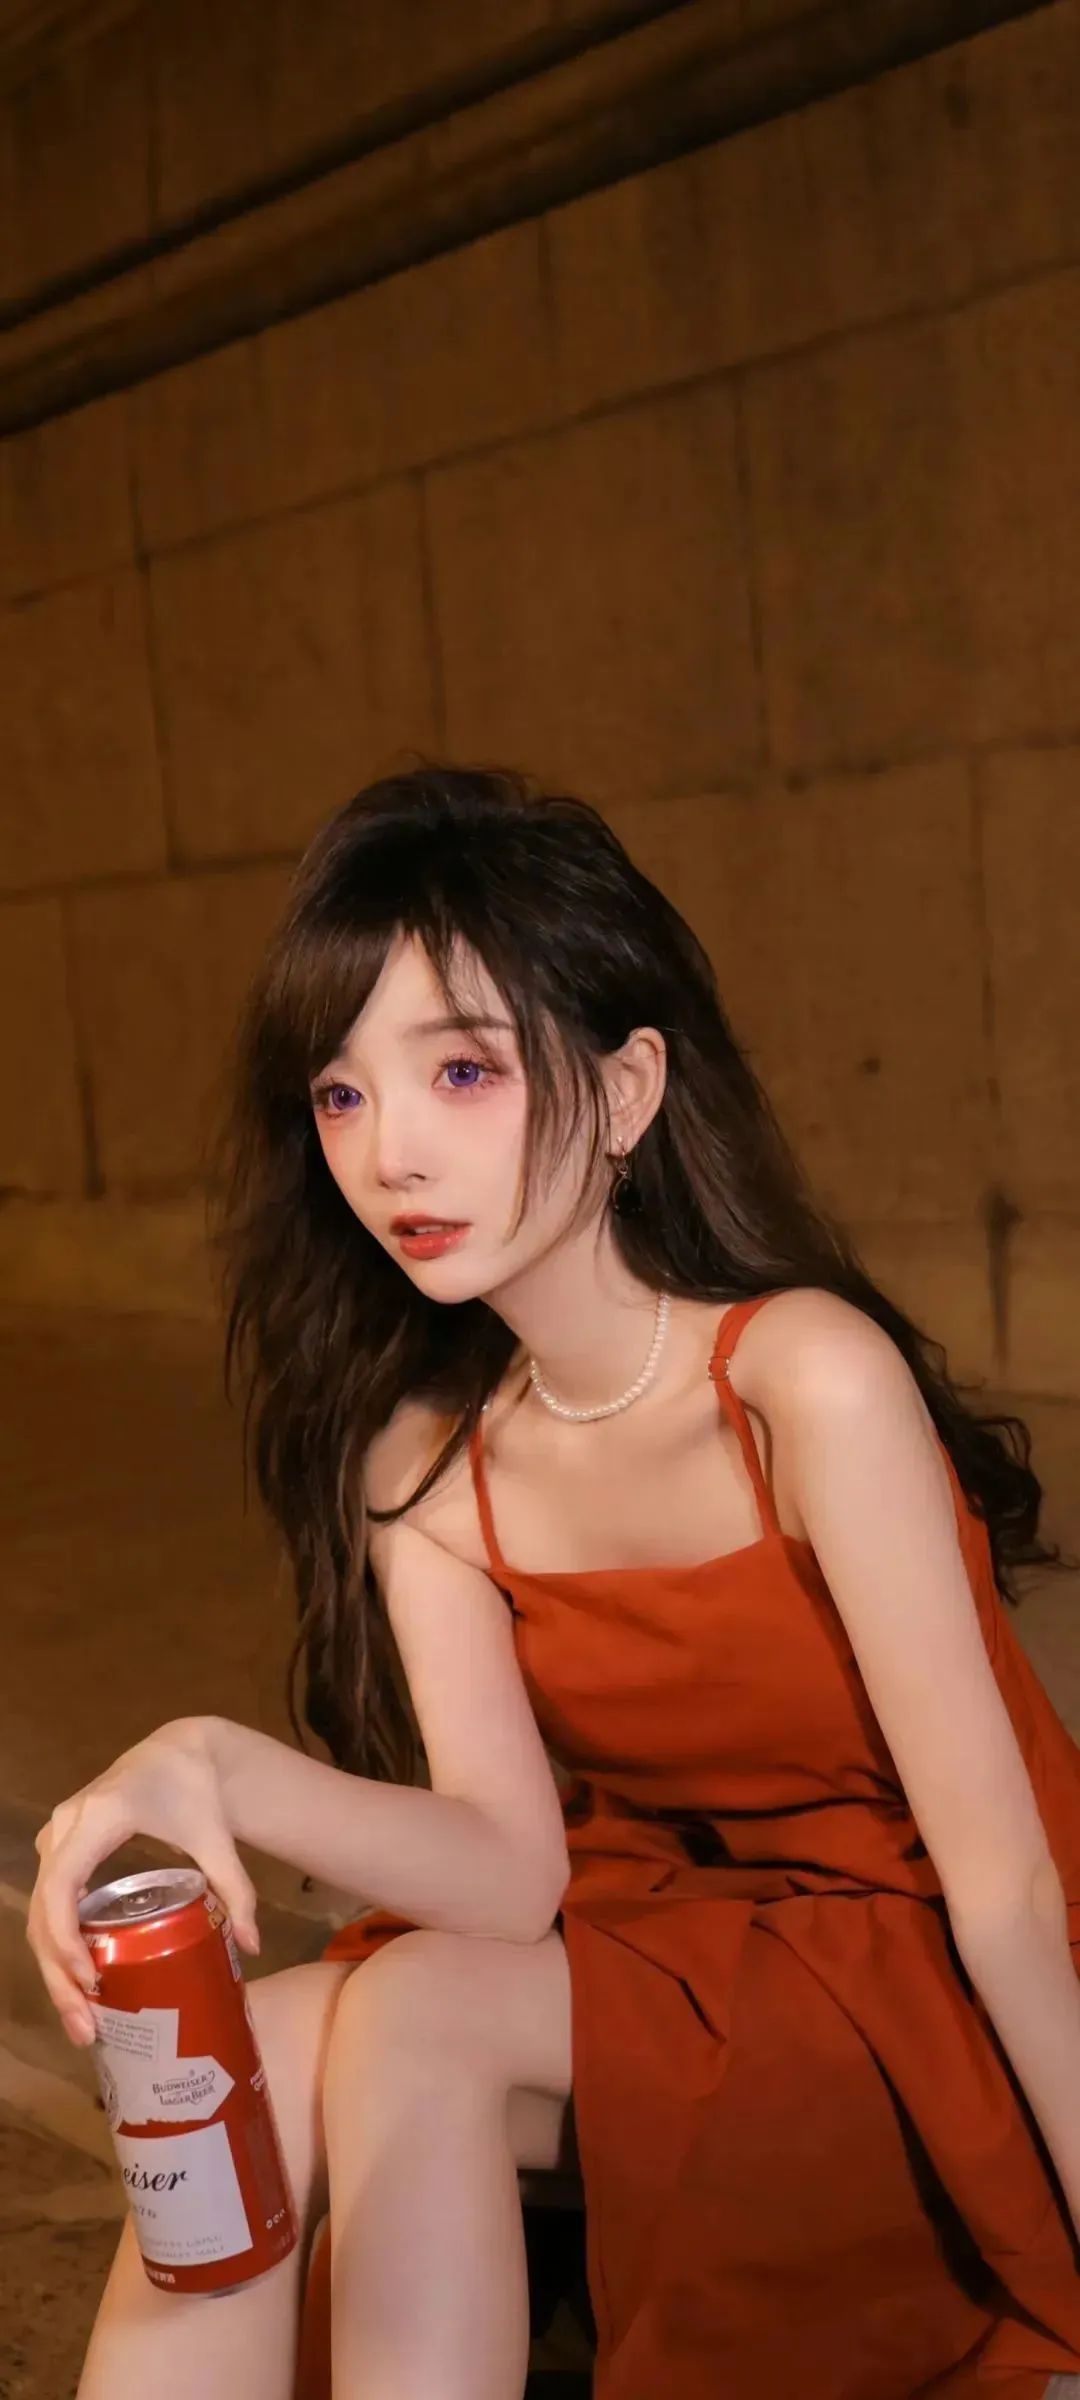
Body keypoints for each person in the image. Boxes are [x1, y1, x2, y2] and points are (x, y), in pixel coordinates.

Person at [27, 762, 1080, 2400]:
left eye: (462, 1070)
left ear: (630, 1087)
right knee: (267, 2044)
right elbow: (511, 1874)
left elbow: (1005, 1889)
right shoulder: (428, 1463)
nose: (392, 1152)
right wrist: (213, 1762)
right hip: (666, 1938)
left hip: (915, 1971)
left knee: (417, 2016)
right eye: (341, 1096)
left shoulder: (804, 1381)